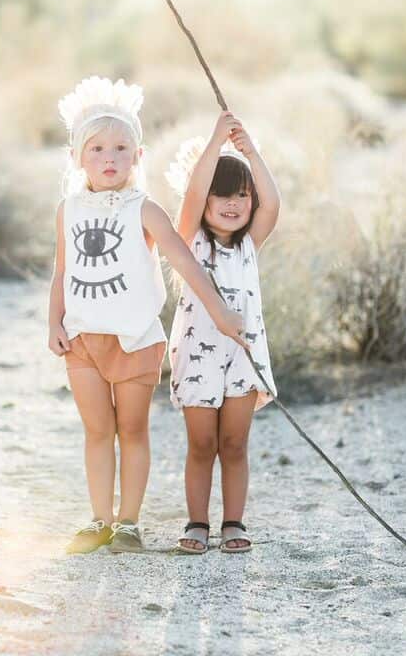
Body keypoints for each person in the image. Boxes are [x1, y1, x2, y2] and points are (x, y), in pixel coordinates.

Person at [48, 77, 243, 555]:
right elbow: (62, 270)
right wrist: (54, 322)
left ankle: (128, 522)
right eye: (96, 149)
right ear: (76, 157)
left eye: (121, 149)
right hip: (82, 340)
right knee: (97, 431)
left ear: (138, 156)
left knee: (131, 431)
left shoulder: (144, 209)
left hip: (135, 340)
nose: (109, 158)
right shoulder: (68, 209)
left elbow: (184, 261)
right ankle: (99, 518)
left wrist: (220, 312)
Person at [166, 111, 280, 554]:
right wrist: (216, 141)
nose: (232, 203)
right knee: (202, 444)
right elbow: (193, 194)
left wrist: (251, 152)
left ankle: (233, 522)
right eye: (222, 194)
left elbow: (273, 205)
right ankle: (198, 522)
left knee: (234, 444)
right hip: (198, 352)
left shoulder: (250, 244)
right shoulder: (190, 240)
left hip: (243, 359)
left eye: (241, 195)